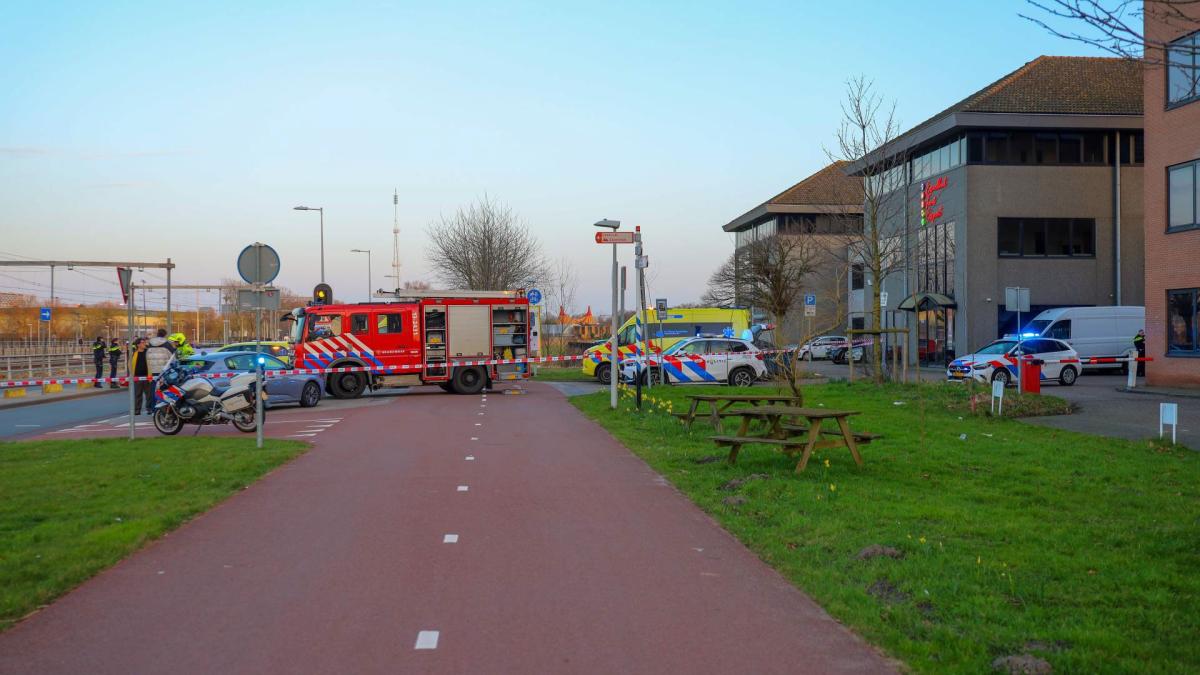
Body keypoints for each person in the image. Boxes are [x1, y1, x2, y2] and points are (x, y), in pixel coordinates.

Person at [129, 338, 154, 414]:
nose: (144, 344)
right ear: (138, 345)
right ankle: (137, 410)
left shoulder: (148, 352)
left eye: (144, 342)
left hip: (147, 376)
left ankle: (149, 408)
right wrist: (131, 375)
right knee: (138, 395)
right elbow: (130, 365)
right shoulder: (134, 354)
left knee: (149, 395)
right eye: (142, 342)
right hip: (137, 377)